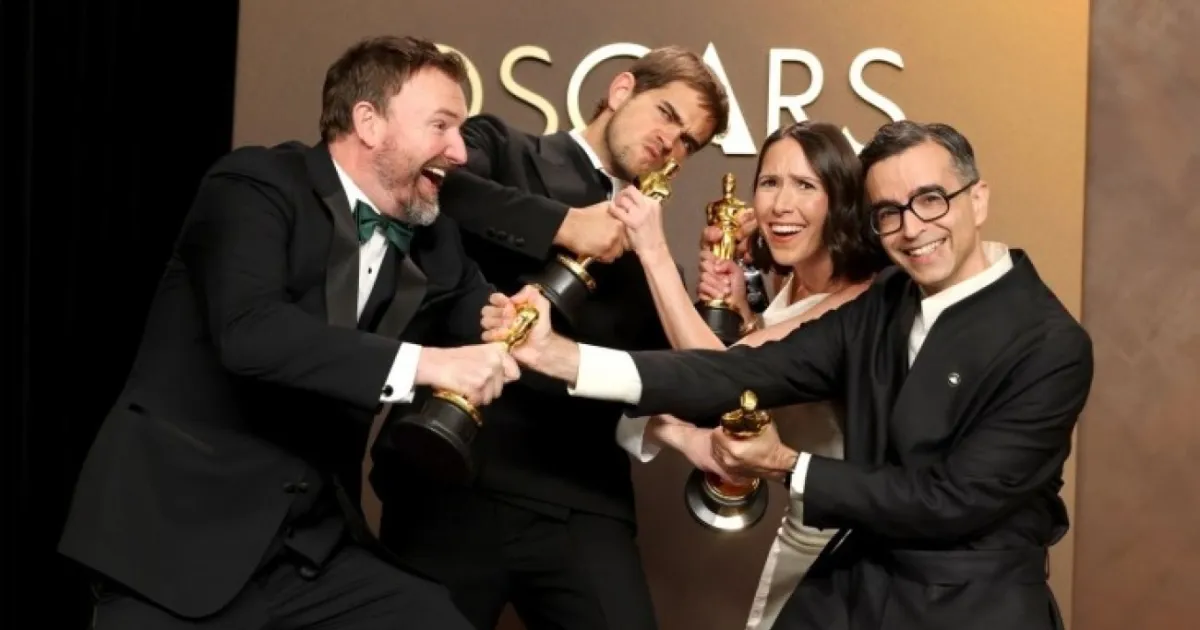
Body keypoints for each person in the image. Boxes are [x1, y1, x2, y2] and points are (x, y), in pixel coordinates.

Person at [482, 120, 1095, 630]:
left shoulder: (1050, 344)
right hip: (853, 584)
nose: (912, 228)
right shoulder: (884, 301)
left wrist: (784, 464)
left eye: (931, 200)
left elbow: (948, 501)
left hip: (974, 607)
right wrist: (561, 357)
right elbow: (743, 372)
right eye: (889, 213)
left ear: (978, 199)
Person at [58, 35, 514, 629]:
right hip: (175, 544)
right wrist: (430, 365)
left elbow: (479, 309)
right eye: (442, 125)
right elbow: (251, 333)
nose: (460, 150)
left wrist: (515, 317)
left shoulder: (431, 235)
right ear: (369, 122)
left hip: (312, 557)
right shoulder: (254, 184)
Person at [369, 46, 729, 630]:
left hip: (582, 499)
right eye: (666, 113)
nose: (673, 142)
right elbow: (436, 193)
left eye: (690, 141)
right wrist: (567, 225)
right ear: (620, 89)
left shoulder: (653, 255)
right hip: (452, 481)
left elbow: (647, 381)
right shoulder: (505, 147)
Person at [607, 121, 890, 630]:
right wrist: (746, 315)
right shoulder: (791, 281)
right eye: (770, 183)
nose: (781, 204)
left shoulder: (860, 296)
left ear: (841, 198)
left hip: (853, 546)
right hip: (802, 527)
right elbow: (776, 370)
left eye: (806, 185)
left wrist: (652, 251)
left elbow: (719, 379)